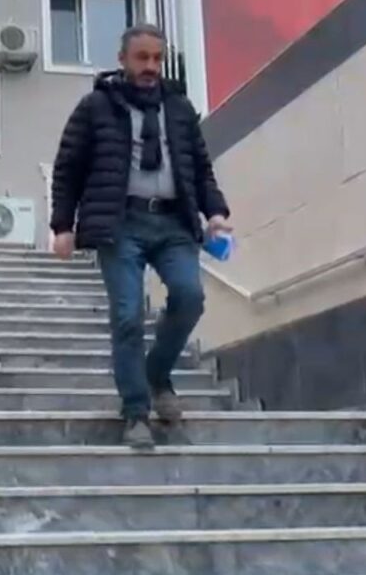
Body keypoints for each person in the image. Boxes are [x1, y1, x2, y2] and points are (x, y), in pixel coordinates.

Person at [50, 24, 231, 448]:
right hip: (121, 223)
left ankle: (157, 374)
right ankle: (135, 411)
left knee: (190, 296)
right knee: (128, 315)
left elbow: (199, 167)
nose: (151, 66)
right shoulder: (95, 107)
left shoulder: (179, 108)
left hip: (173, 223)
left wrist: (216, 212)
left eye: (157, 58)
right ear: (122, 60)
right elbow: (68, 168)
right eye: (142, 58)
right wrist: (62, 226)